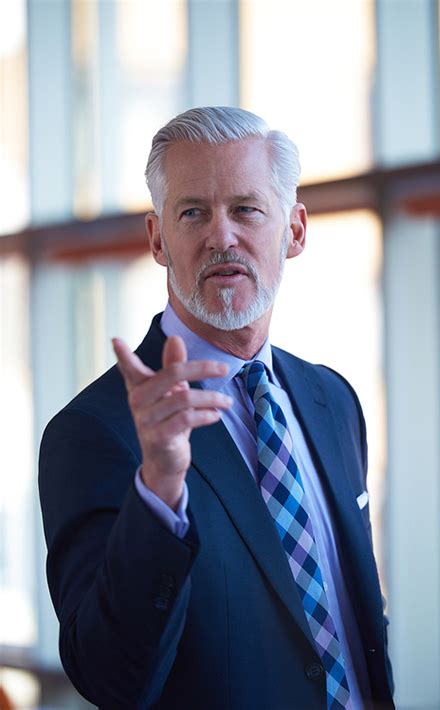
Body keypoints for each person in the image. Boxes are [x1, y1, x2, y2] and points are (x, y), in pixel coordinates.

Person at [39, 106, 394, 709]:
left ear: (296, 231)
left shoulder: (332, 399)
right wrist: (159, 489)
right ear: (158, 239)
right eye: (193, 212)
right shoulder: (96, 431)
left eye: (246, 209)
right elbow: (111, 680)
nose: (221, 235)